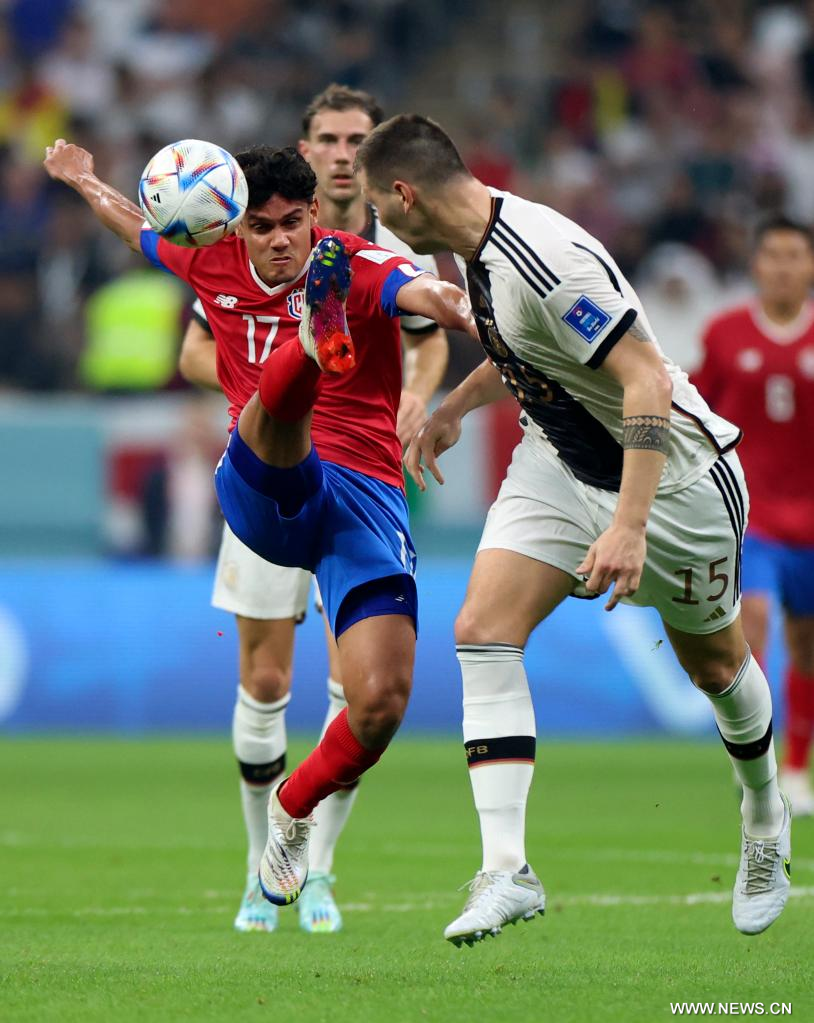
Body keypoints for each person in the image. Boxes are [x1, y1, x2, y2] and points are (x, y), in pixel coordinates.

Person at [355, 114, 791, 945]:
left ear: (405, 195)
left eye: (378, 202)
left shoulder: (545, 259)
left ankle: (765, 816)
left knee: (715, 664)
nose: (378, 217)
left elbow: (644, 381)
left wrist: (630, 526)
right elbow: (526, 348)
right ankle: (507, 869)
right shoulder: (472, 244)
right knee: (482, 629)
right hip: (558, 460)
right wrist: (455, 406)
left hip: (674, 484)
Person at [43, 137, 475, 913]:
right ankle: (311, 343)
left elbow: (433, 300)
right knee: (276, 429)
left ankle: (292, 809)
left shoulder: (359, 263)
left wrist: (475, 307)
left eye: (292, 224)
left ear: (313, 215)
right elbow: (132, 226)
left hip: (365, 496)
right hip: (263, 484)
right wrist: (82, 179)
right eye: (263, 227)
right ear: (237, 225)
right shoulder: (208, 259)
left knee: (380, 703)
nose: (279, 240)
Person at [177, 84, 448, 934]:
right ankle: (255, 866)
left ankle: (317, 865)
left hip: (359, 469)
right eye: (328, 138)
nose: (341, 153)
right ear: (306, 149)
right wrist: (243, 378)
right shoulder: (234, 236)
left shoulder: (395, 246)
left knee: (351, 683)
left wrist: (419, 397)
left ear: (374, 156)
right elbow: (194, 348)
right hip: (274, 452)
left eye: (357, 139)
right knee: (264, 680)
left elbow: (428, 337)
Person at [694, 215, 814, 818]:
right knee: (755, 622)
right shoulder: (724, 333)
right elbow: (696, 412)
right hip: (752, 513)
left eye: (795, 255)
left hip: (812, 523)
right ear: (756, 264)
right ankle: (758, 765)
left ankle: (797, 768)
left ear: (810, 266)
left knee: (807, 644)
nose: (784, 267)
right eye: (774, 255)